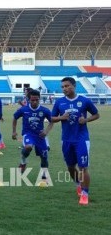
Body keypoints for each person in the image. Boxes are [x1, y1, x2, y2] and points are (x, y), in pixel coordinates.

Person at [51, 77, 99, 205]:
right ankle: (78, 184)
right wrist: (62, 117)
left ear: (74, 86)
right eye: (62, 87)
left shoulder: (84, 101)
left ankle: (85, 194)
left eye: (67, 86)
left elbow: (96, 114)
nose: (64, 89)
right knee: (71, 167)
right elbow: (52, 118)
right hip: (66, 139)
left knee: (83, 167)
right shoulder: (59, 102)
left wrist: (86, 120)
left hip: (81, 139)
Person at [12, 90, 54, 183]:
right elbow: (14, 118)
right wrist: (14, 132)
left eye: (37, 100)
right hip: (28, 134)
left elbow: (52, 121)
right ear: (29, 100)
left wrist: (46, 131)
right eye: (32, 100)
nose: (35, 102)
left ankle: (44, 174)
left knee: (44, 156)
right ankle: (23, 162)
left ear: (39, 99)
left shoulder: (44, 110)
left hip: (40, 136)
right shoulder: (24, 109)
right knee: (28, 147)